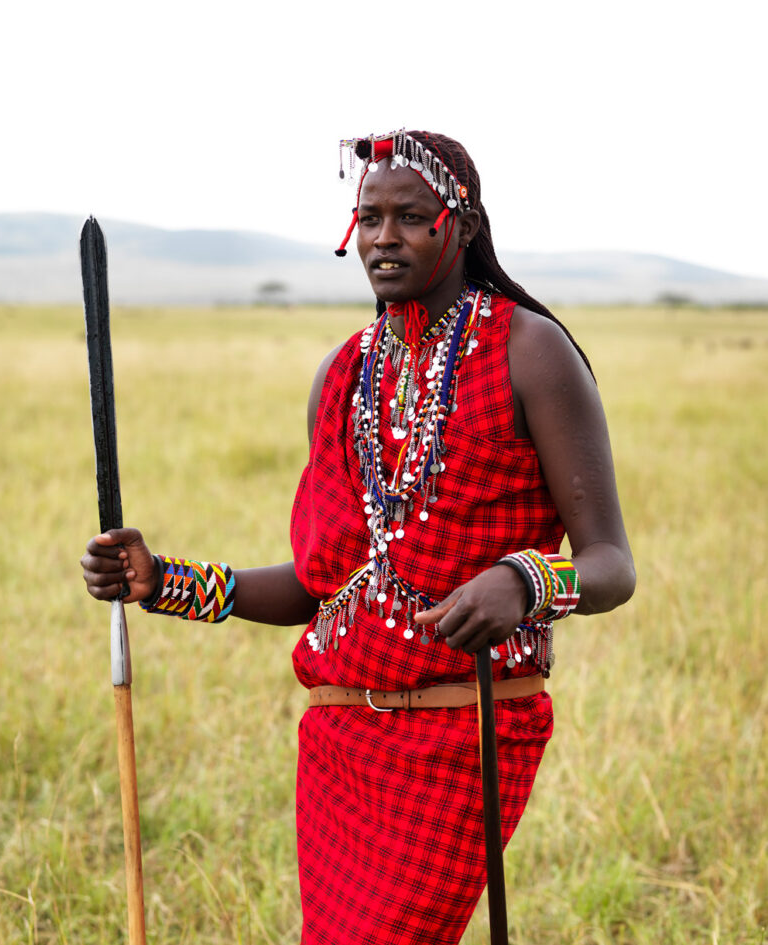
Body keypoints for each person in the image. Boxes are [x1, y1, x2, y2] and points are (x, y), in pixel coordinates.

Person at [81, 129, 635, 944]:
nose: (384, 237)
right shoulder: (344, 375)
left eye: (411, 215)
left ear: (464, 224)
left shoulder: (529, 351)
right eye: (368, 217)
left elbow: (611, 565)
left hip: (467, 734)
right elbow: (320, 585)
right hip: (339, 742)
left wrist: (524, 581)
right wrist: (163, 580)